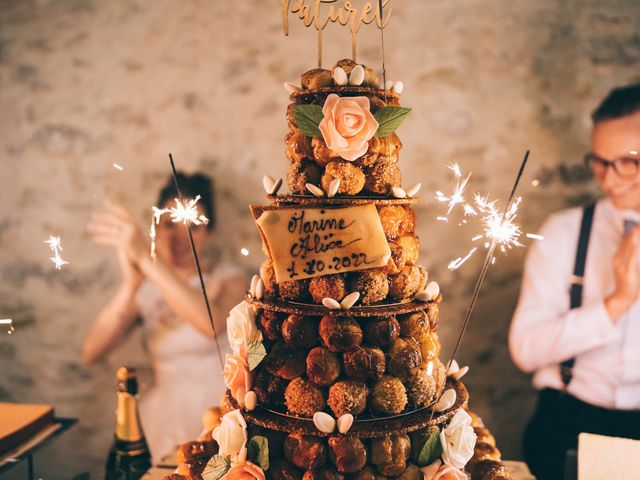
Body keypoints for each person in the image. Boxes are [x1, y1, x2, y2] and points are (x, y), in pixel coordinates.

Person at [509, 84, 640, 480]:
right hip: (568, 426)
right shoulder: (564, 233)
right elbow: (525, 349)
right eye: (600, 161)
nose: (610, 179)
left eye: (628, 162)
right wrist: (617, 302)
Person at [82, 172, 246, 462]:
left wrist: (145, 258)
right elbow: (91, 351)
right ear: (156, 227)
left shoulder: (230, 280)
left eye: (193, 227)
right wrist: (131, 284)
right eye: (169, 224)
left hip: (222, 413)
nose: (179, 238)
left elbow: (211, 325)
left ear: (210, 234)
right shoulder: (146, 289)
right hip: (164, 417)